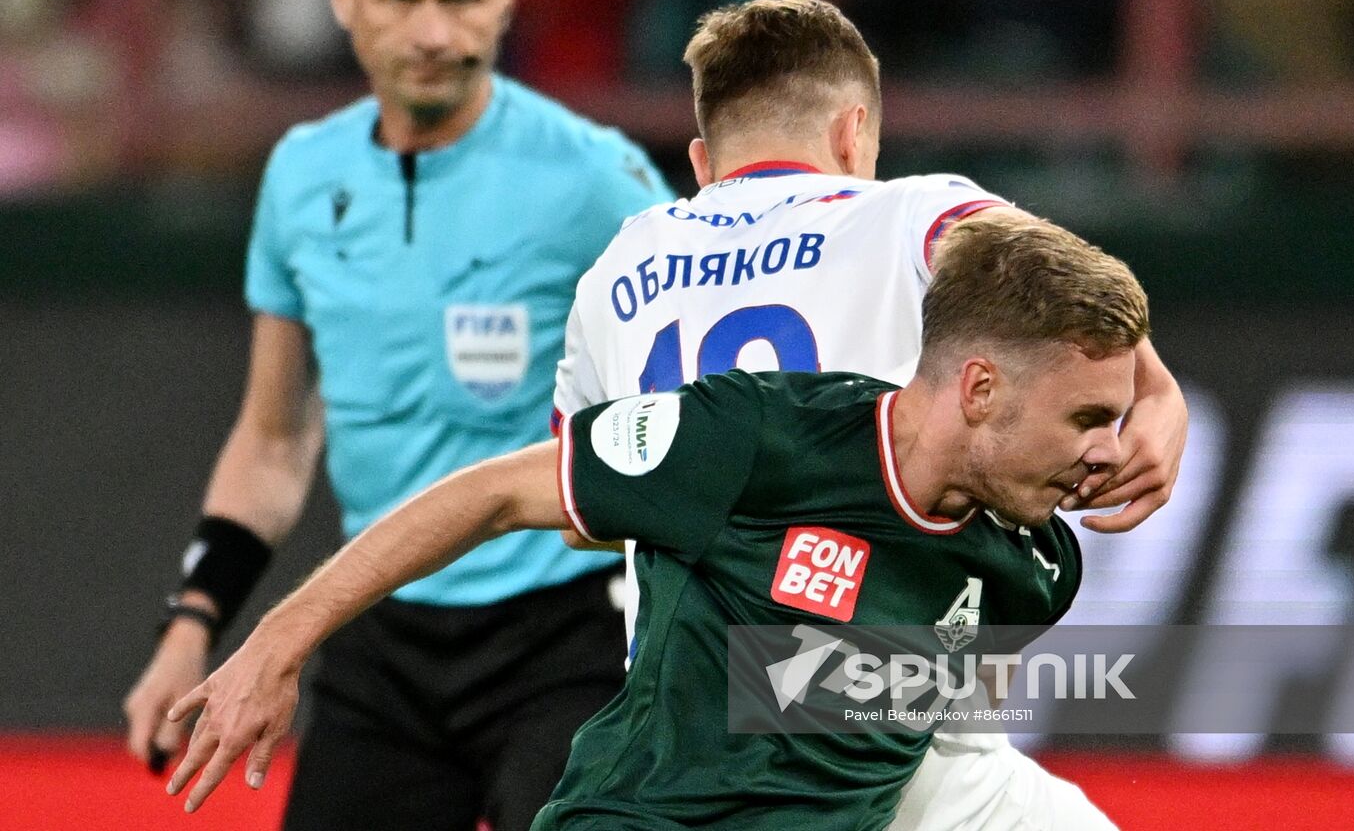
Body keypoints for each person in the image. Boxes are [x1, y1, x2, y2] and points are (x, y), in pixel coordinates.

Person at [161, 211, 1152, 831]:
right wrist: (278, 643)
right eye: (1085, 418)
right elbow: (497, 492)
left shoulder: (1035, 565)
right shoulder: (753, 436)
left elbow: (850, 714)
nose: (1106, 451)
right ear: (978, 387)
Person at [121, 0, 670, 831]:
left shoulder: (595, 180)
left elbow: (702, 383)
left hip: (564, 637)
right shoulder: (300, 177)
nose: (429, 31)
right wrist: (189, 626)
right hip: (380, 635)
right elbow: (274, 440)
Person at [553, 0, 1188, 829]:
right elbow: (1059, 290)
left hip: (693, 707)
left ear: (704, 162)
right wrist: (1158, 392)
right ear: (854, 133)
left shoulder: (619, 266)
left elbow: (581, 520)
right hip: (872, 703)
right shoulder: (911, 213)